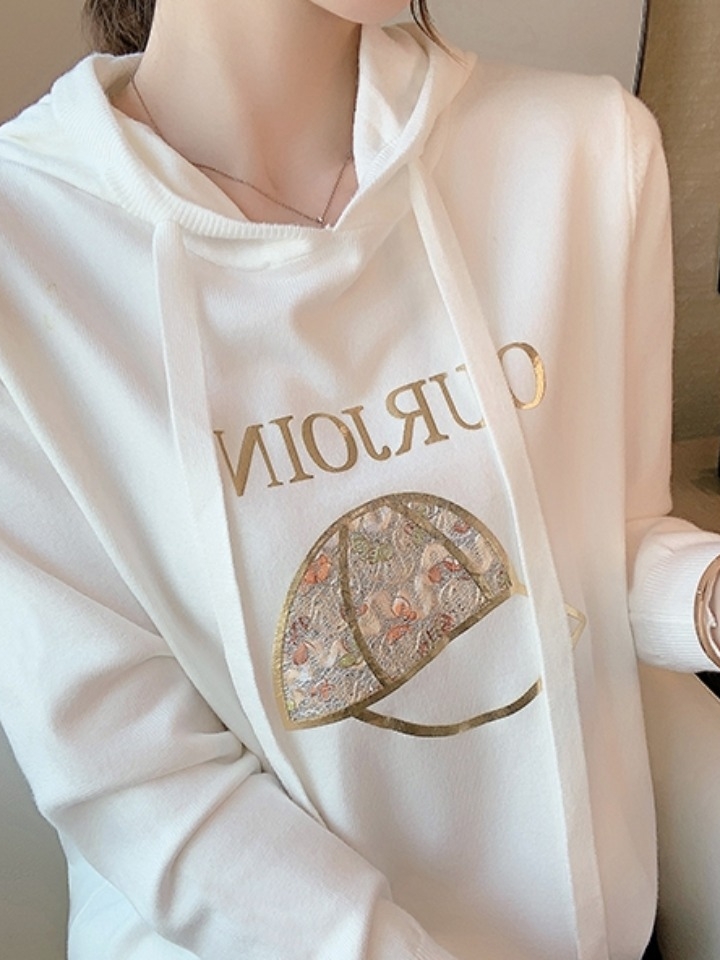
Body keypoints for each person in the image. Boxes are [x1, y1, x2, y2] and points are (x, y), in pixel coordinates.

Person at [0, 1, 719, 958]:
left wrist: (703, 593)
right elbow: (138, 779)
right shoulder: (25, 251)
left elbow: (598, 545)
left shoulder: (586, 151)